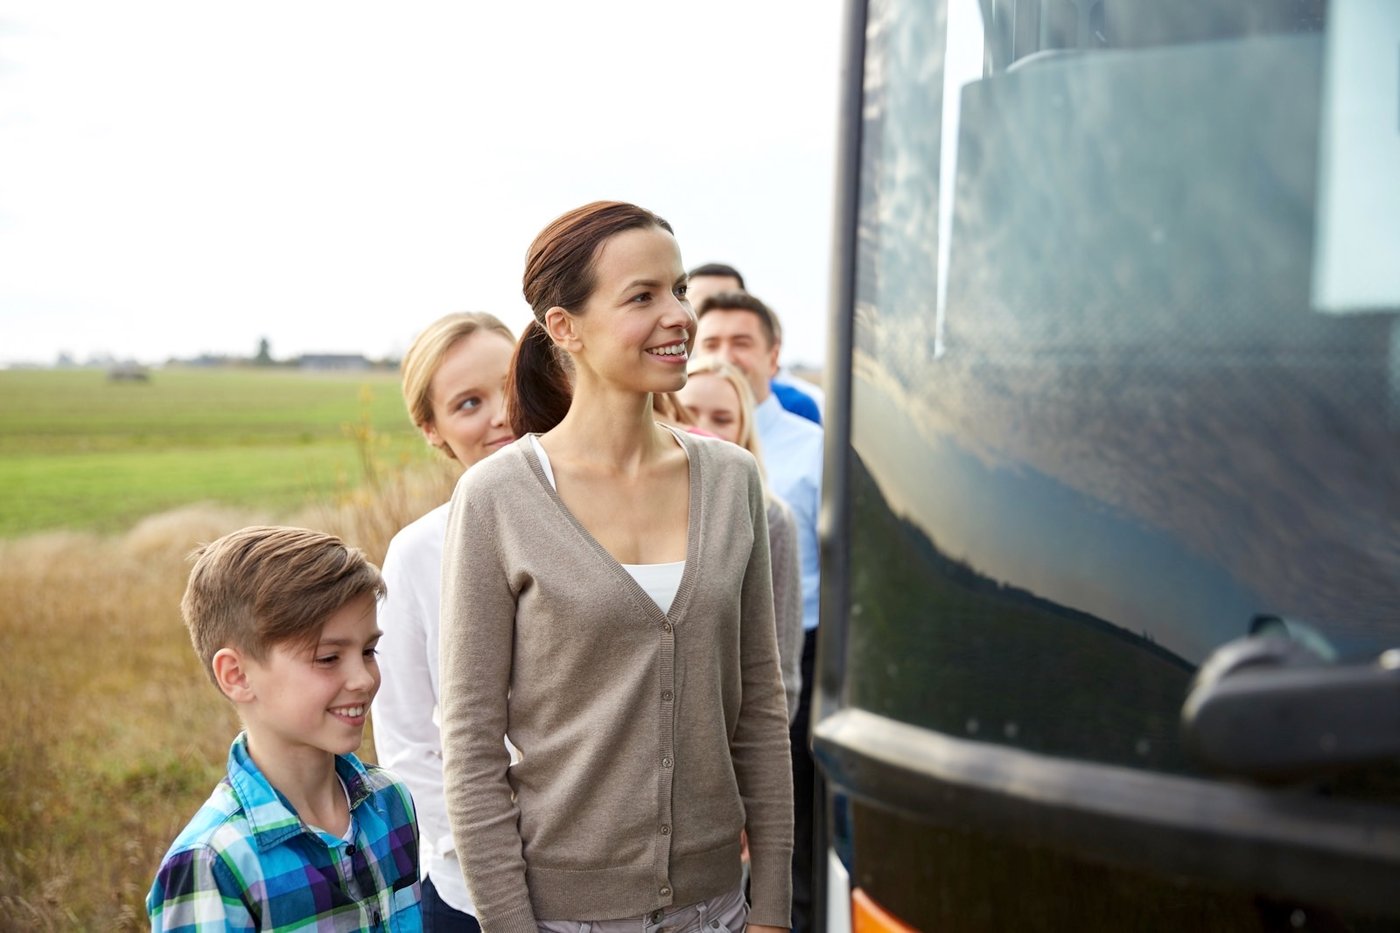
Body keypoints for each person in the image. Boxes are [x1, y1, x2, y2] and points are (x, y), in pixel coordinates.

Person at [439, 201, 793, 933]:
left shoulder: (733, 483)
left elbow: (759, 707)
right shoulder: (497, 498)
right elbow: (470, 748)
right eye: (643, 296)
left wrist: (773, 909)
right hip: (564, 918)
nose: (679, 316)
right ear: (564, 327)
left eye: (679, 289)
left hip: (719, 906)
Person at [147, 526, 422, 930]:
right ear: (237, 675)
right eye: (328, 658)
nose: (363, 678)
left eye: (368, 651)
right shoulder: (213, 862)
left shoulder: (392, 802)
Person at [372, 312, 516, 931]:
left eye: (512, 386)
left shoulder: (616, 524)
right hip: (472, 892)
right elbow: (406, 741)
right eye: (469, 403)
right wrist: (489, 861)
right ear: (433, 431)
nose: (502, 414)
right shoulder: (418, 554)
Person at [693, 291, 822, 933]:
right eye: (710, 341)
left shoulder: (791, 476)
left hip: (780, 661)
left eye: (741, 342)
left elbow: (775, 672)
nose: (704, 428)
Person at [676, 353, 804, 725]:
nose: (700, 429)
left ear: (743, 433)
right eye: (687, 412)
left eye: (722, 419)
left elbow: (780, 672)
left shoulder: (770, 518)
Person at [686, 264, 823, 424]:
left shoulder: (797, 407)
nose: (725, 358)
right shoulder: (669, 408)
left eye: (741, 343)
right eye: (711, 344)